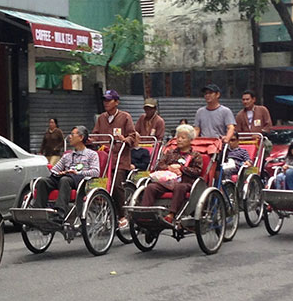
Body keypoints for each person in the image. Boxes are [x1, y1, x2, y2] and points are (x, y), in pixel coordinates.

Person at [33, 126, 100, 221]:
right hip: (64, 178)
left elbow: (96, 172)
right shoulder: (67, 156)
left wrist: (78, 172)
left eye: (73, 134)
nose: (69, 137)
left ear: (81, 137)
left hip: (80, 181)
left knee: (65, 180)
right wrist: (61, 172)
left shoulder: (92, 154)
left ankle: (60, 213)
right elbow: (54, 170)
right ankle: (38, 212)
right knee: (43, 181)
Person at [140, 124, 203, 224]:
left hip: (185, 182)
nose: (179, 140)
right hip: (167, 183)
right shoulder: (170, 153)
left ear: (190, 140)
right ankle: (145, 214)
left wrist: (182, 169)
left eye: (183, 137)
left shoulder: (195, 155)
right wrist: (169, 167)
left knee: (180, 187)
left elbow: (197, 171)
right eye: (178, 137)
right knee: (151, 187)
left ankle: (171, 214)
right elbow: (159, 165)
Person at [92, 89, 136, 228]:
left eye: (109, 100)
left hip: (120, 159)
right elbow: (95, 134)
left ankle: (122, 215)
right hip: (104, 158)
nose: (106, 103)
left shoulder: (125, 117)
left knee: (116, 184)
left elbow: (132, 135)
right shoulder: (101, 118)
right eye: (104, 100)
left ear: (116, 102)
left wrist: (125, 139)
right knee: (94, 182)